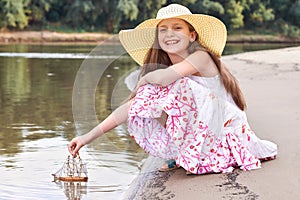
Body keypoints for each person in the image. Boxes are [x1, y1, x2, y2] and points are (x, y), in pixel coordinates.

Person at [68, 4, 277, 175]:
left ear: (192, 35)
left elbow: (166, 78)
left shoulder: (201, 57)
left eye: (177, 28)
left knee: (171, 85)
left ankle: (189, 153)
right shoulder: (164, 72)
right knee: (149, 96)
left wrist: (146, 79)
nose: (170, 34)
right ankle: (183, 152)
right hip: (202, 133)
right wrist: (86, 138)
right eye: (163, 29)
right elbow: (131, 106)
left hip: (224, 129)